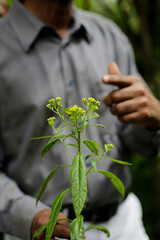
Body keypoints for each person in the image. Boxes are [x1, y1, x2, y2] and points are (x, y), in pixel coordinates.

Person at [0, 0, 160, 240]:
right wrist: (27, 216)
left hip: (123, 226)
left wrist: (153, 121)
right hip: (43, 233)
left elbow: (141, 144)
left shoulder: (108, 35)